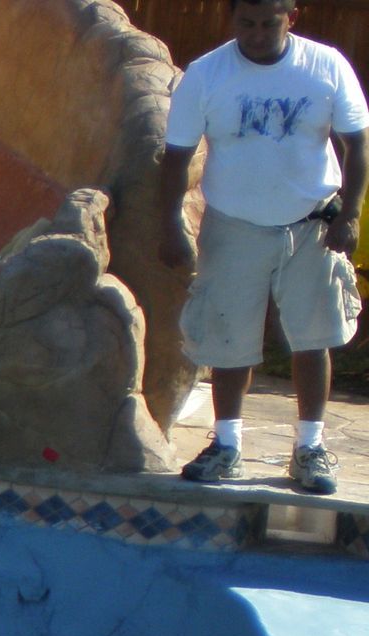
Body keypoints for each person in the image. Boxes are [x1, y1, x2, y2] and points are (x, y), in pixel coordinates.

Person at [160, 0, 368, 497]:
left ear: (291, 17)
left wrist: (351, 213)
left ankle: (310, 448)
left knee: (312, 337)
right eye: (246, 23)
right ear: (231, 20)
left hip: (311, 224)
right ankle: (226, 445)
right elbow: (176, 156)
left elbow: (357, 144)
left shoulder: (326, 65)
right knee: (229, 336)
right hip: (234, 225)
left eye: (268, 23)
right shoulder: (206, 75)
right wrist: (169, 224)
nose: (256, 34)